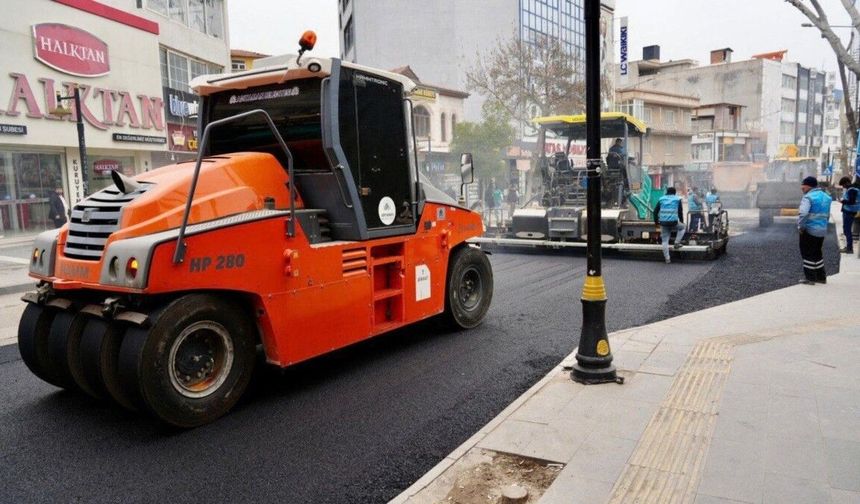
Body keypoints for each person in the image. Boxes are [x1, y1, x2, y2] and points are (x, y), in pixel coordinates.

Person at [798, 176, 832, 285]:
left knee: (807, 253)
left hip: (809, 230)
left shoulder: (808, 197)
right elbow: (827, 215)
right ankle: (821, 277)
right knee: (817, 253)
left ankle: (810, 278)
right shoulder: (827, 197)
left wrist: (801, 227)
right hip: (822, 230)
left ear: (809, 186)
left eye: (803, 186)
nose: (802, 188)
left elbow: (803, 214)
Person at [654, 187, 685, 264]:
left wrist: (656, 222)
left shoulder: (661, 199)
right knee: (683, 227)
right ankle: (677, 243)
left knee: (665, 241)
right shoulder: (677, 199)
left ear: (667, 192)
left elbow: (655, 211)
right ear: (674, 193)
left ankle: (667, 259)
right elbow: (680, 212)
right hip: (674, 222)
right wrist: (682, 222)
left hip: (663, 223)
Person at [838, 176, 859, 254]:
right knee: (846, 229)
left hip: (849, 212)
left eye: (843, 185)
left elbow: (851, 201)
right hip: (850, 211)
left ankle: (849, 248)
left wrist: (842, 201)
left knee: (847, 230)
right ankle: (849, 247)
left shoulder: (851, 190)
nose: (843, 187)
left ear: (847, 183)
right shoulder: (852, 189)